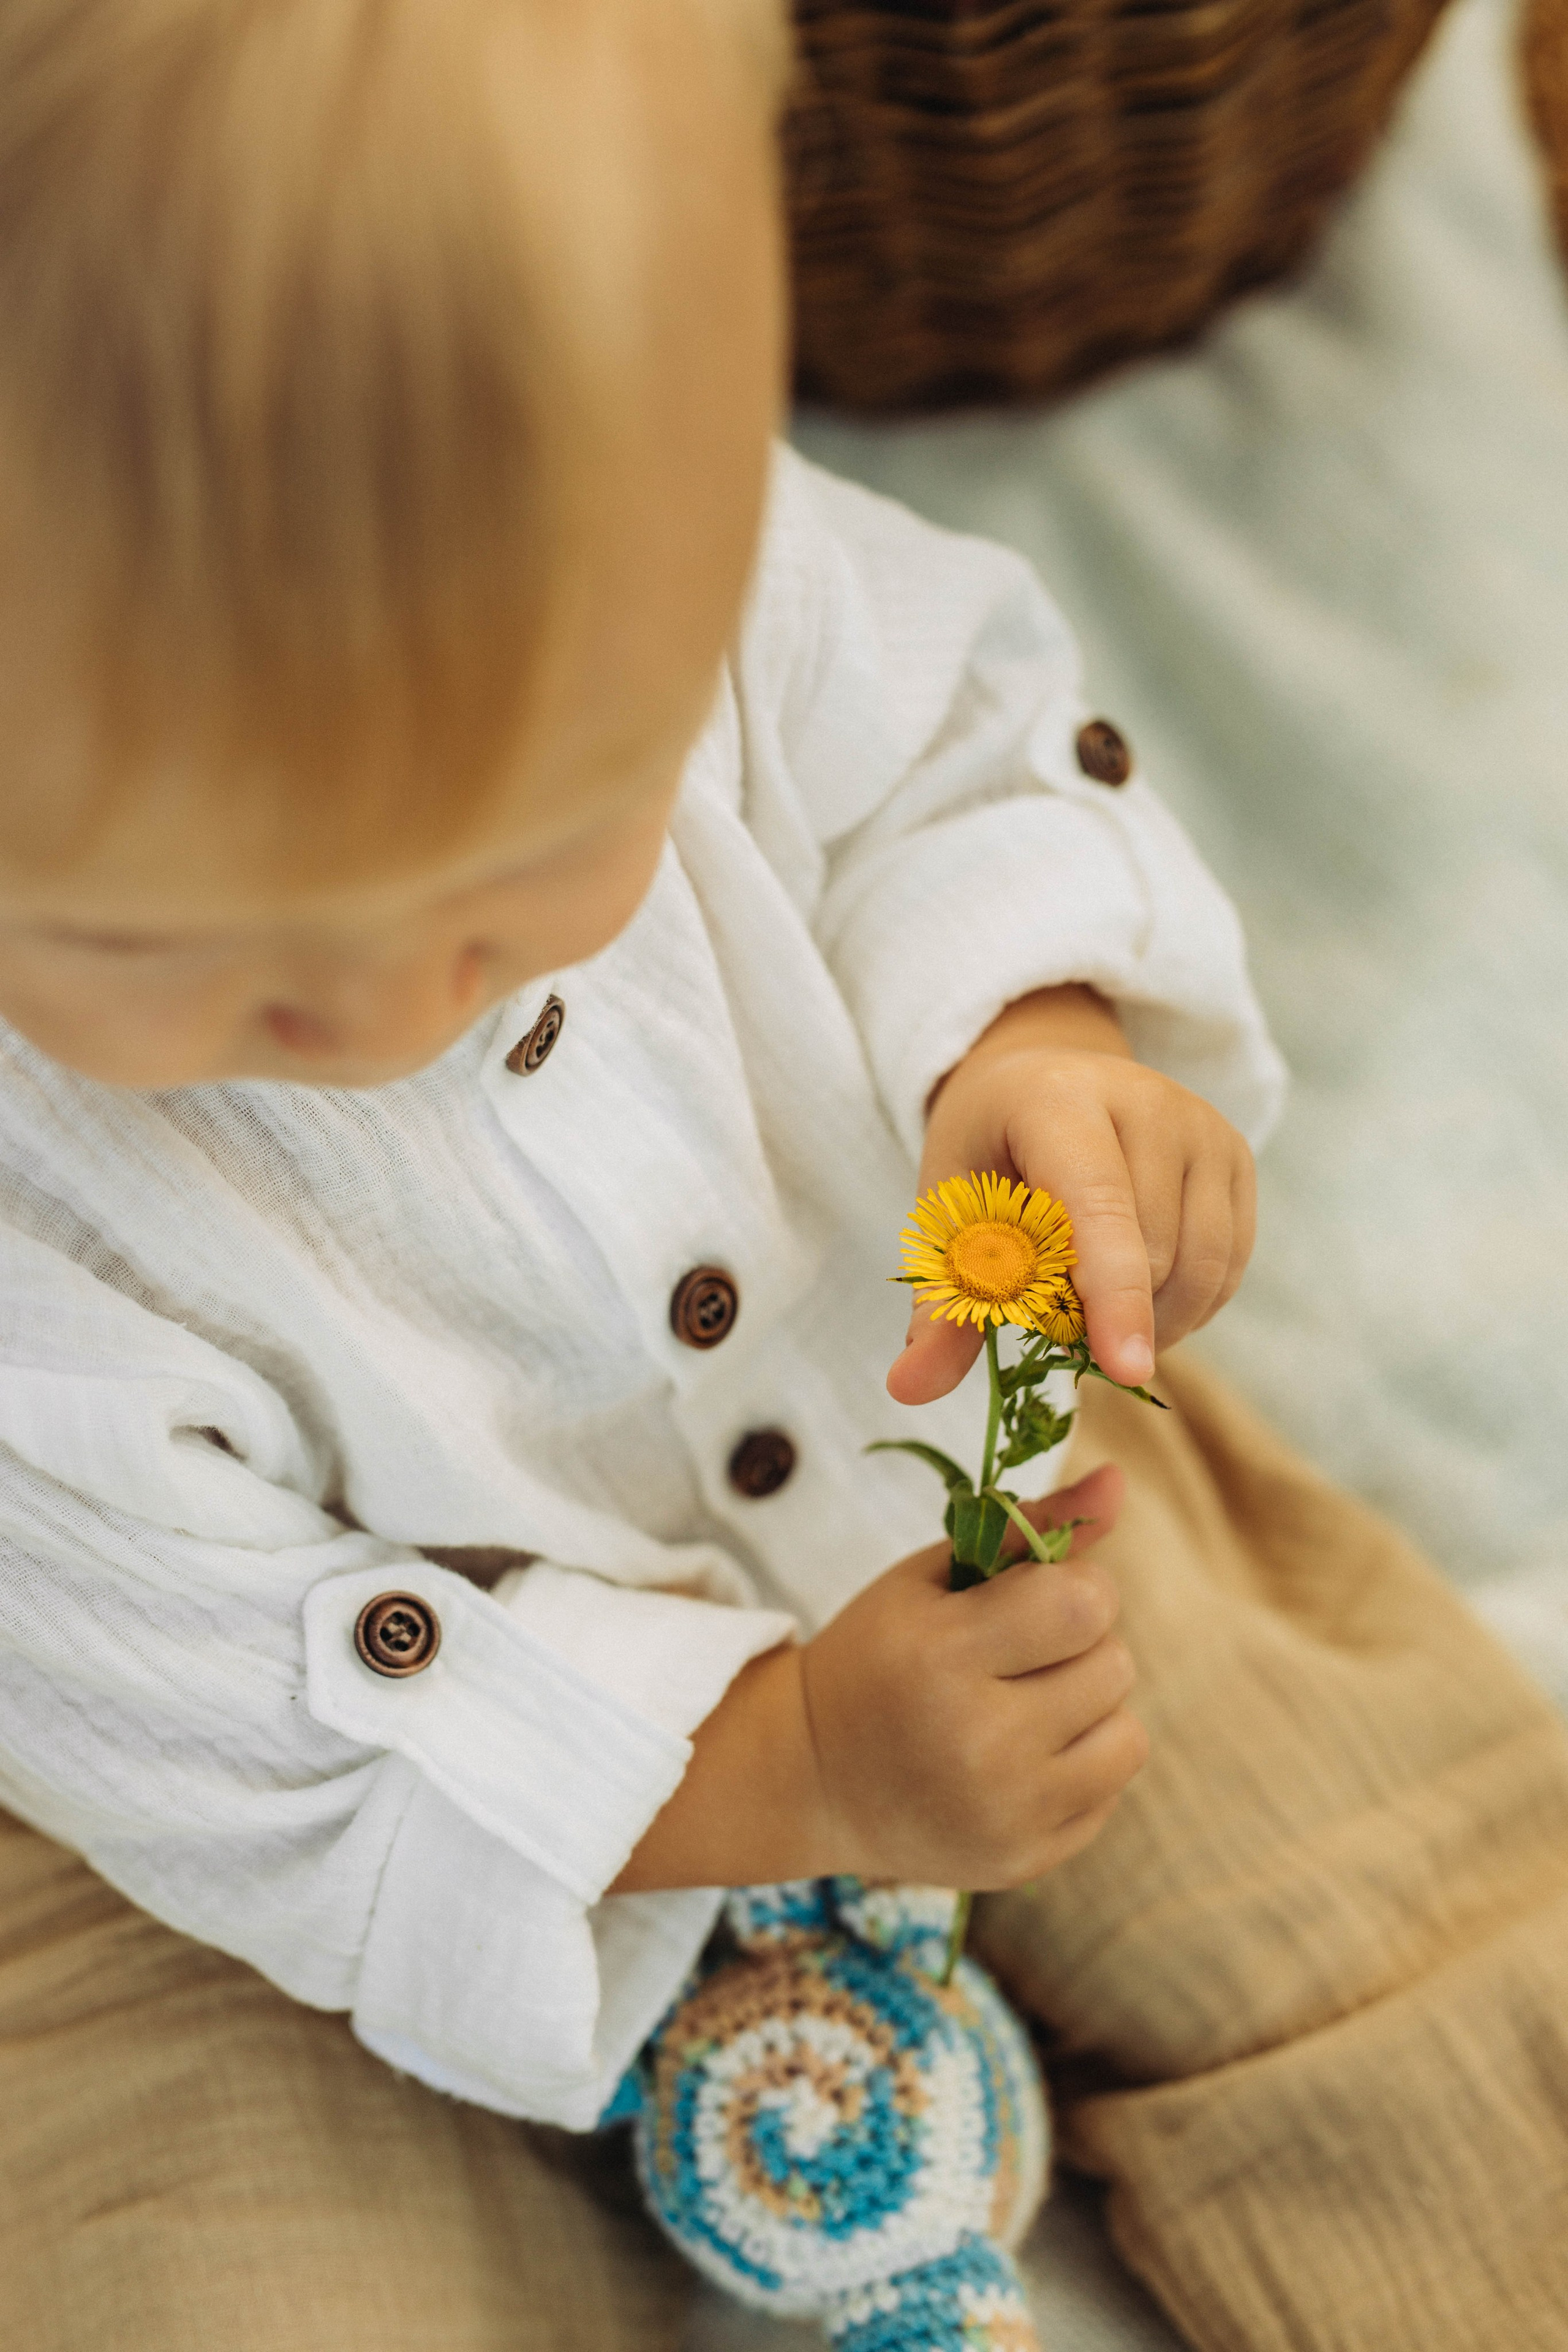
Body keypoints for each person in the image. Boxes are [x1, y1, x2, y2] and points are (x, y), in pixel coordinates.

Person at [0, 6, 1563, 2350]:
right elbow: (224, 1718)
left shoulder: (666, 562)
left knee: (1393, 1913)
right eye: (171, 941)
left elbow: (947, 743)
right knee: (218, 2269)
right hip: (243, 1796)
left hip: (921, 1431)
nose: (396, 998)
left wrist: (1036, 1042)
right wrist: (787, 1765)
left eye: (541, 847)